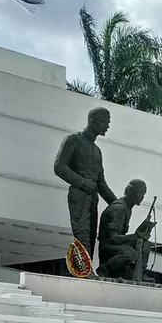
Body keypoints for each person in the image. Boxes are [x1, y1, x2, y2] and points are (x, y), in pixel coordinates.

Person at [53, 107, 117, 257]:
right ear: (91, 121)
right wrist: (82, 183)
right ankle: (83, 271)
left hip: (92, 197)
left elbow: (101, 184)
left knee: (91, 236)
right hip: (79, 195)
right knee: (82, 235)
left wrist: (118, 204)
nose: (107, 126)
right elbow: (59, 167)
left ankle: (86, 270)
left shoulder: (97, 151)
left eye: (108, 122)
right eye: (103, 122)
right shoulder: (73, 140)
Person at [95, 179, 155, 282]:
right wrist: (136, 236)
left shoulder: (128, 208)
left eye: (144, 194)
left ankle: (140, 273)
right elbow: (114, 238)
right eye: (140, 192)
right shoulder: (119, 208)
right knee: (131, 254)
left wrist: (142, 230)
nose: (142, 197)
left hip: (116, 245)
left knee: (146, 244)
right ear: (130, 191)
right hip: (107, 246)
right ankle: (104, 268)